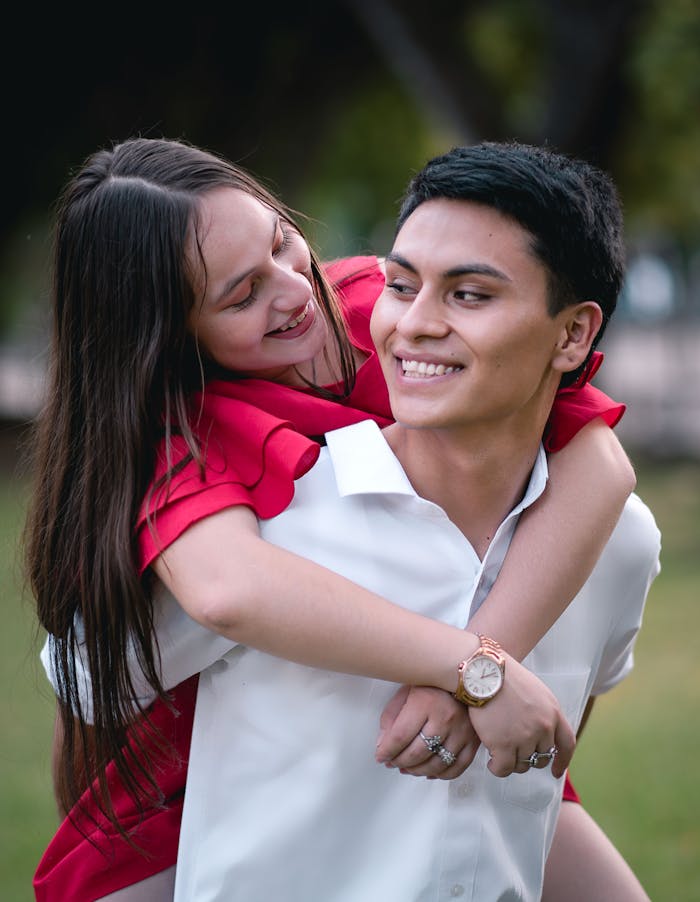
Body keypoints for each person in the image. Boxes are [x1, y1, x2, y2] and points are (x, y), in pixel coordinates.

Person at [26, 137, 638, 901]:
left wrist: (478, 674)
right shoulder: (182, 434)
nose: (292, 291)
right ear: (171, 341)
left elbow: (601, 462)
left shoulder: (375, 306)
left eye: (283, 241)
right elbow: (209, 606)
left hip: (426, 710)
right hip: (205, 776)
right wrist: (471, 674)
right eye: (242, 296)